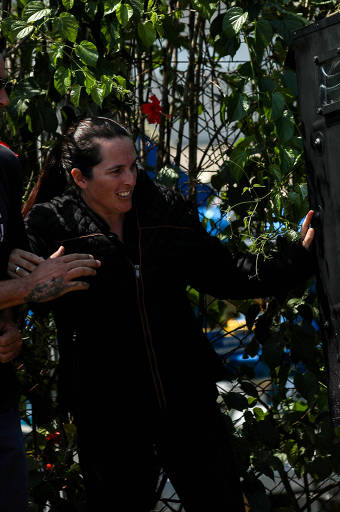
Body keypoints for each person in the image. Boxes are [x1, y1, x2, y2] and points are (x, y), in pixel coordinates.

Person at [11, 117, 315, 511]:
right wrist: (28, 286)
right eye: (116, 171)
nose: (131, 180)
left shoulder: (163, 208)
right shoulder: (51, 224)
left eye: (134, 166)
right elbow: (21, 294)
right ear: (79, 177)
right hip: (109, 414)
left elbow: (225, 271)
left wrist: (297, 258)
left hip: (186, 400)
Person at [0, 57, 100, 511]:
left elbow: (14, 270)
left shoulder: (4, 165)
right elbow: (24, 283)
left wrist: (9, 324)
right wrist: (28, 288)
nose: (4, 99)